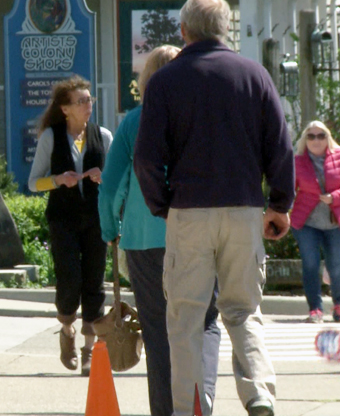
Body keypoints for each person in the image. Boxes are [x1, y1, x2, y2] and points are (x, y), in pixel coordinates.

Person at [133, 0, 295, 415]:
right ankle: (259, 392)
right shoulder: (255, 75)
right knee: (243, 310)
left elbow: (147, 159)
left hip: (188, 210)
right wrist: (279, 204)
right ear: (225, 30)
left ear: (184, 31)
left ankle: (192, 408)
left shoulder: (166, 82)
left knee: (186, 319)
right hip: (244, 209)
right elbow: (280, 145)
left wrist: (162, 205)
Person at [99, 45, 221, 416]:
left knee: (158, 334)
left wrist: (110, 229)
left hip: (144, 240)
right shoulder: (206, 118)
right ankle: (202, 404)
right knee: (204, 323)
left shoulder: (134, 121)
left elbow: (111, 186)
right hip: (199, 238)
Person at [28, 75, 113, 377]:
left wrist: (102, 176)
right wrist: (57, 180)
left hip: (95, 218)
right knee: (69, 279)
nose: (88, 105)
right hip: (62, 219)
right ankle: (67, 331)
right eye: (81, 101)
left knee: (94, 281)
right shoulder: (51, 137)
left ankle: (90, 349)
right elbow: (32, 182)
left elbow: (114, 181)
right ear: (65, 109)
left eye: (89, 99)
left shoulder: (103, 135)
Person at [290, 121, 340, 324]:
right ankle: (315, 309)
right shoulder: (297, 161)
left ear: (328, 137)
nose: (316, 140)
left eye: (321, 135)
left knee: (336, 264)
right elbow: (288, 188)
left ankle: (339, 305)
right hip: (306, 223)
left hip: (335, 221)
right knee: (310, 264)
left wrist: (335, 197)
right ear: (305, 140)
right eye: (311, 136)